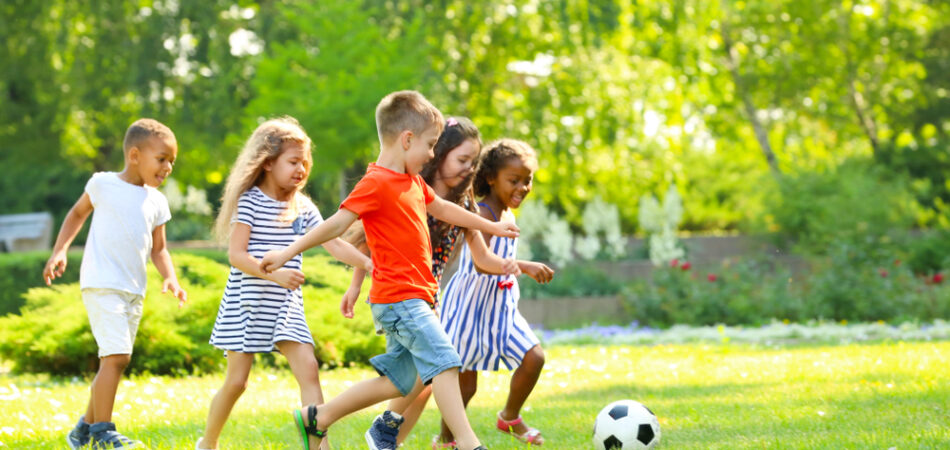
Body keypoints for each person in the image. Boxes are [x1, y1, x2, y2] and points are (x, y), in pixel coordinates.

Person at [260, 91, 518, 450]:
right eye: (430, 145)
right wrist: (288, 251)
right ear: (407, 139)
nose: (431, 155)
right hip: (399, 298)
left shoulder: (413, 182)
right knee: (445, 360)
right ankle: (470, 444)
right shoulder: (377, 182)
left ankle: (317, 417)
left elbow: (444, 209)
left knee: (401, 381)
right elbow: (336, 225)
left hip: (416, 297)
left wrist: (491, 227)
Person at [350, 118, 553, 449]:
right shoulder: (410, 191)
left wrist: (518, 264)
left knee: (417, 380)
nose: (468, 169)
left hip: (426, 297)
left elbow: (484, 258)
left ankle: (377, 434)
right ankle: (461, 441)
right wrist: (356, 284)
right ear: (438, 155)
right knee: (435, 369)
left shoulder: (463, 202)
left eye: (472, 162)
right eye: (462, 160)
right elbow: (368, 240)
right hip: (401, 296)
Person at [195, 117, 371, 450]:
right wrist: (272, 274)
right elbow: (236, 255)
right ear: (267, 163)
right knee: (237, 382)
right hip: (247, 302)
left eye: (305, 162)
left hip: (285, 305)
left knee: (309, 369)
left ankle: (320, 447)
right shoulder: (250, 202)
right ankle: (208, 442)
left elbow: (333, 243)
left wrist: (366, 263)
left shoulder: (302, 207)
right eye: (293, 162)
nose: (301, 169)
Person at [45, 118, 188, 449]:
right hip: (102, 283)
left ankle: (82, 430)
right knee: (117, 357)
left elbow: (160, 249)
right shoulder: (103, 184)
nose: (168, 167)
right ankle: (103, 432)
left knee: (114, 358)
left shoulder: (157, 202)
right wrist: (60, 251)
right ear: (135, 155)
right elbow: (77, 214)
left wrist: (170, 277)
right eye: (162, 158)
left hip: (133, 290)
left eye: (171, 161)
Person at [435, 138, 554, 447]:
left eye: (527, 181)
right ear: (491, 178)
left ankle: (510, 417)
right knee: (465, 386)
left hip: (501, 308)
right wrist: (524, 266)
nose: (523, 187)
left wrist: (518, 269)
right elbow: (481, 262)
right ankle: (446, 439)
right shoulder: (483, 214)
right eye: (514, 180)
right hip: (469, 308)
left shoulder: (507, 216)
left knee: (534, 357)